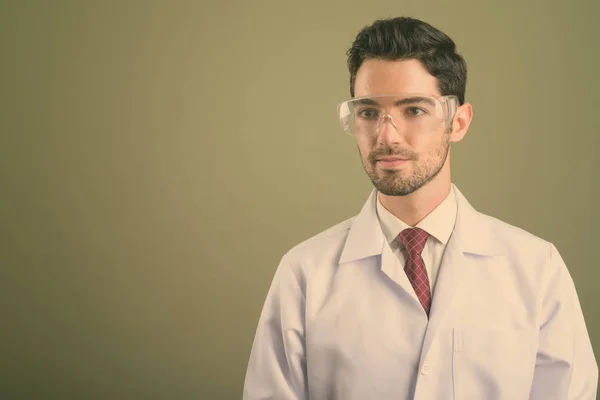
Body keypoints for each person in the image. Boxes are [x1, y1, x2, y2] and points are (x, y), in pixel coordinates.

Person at [242, 16, 598, 400]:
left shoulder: (536, 268)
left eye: (413, 110)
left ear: (458, 122)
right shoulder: (304, 274)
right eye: (368, 112)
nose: (387, 135)